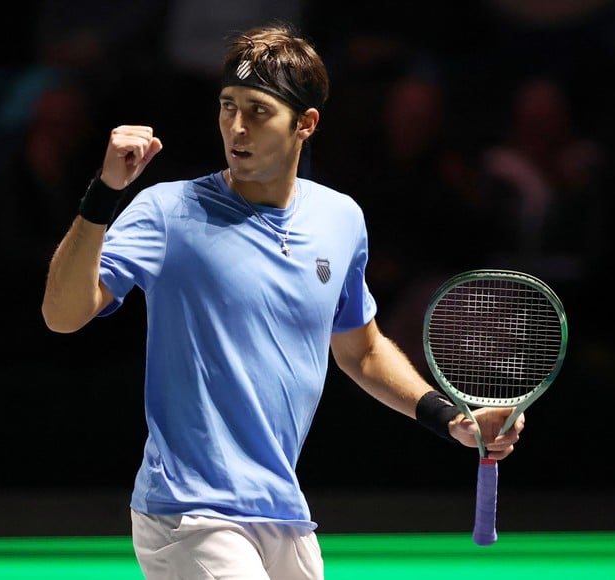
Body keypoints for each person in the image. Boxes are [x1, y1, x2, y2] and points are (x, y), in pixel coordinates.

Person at [42, 23, 525, 580]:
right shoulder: (167, 211)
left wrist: (451, 420)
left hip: (282, 510)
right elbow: (62, 314)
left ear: (305, 124)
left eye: (258, 110)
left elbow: (362, 351)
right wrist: (102, 196)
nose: (236, 128)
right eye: (228, 106)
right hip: (189, 511)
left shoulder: (339, 219)